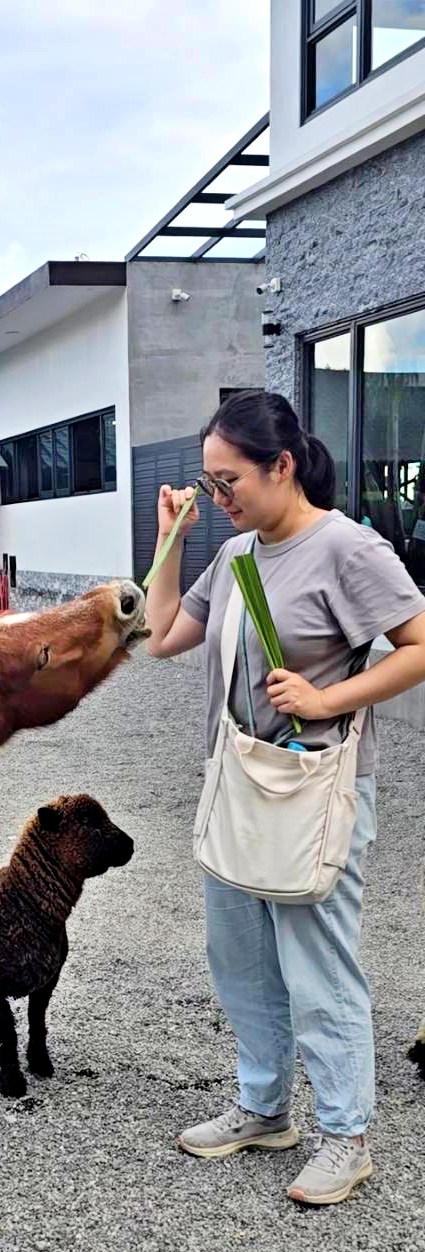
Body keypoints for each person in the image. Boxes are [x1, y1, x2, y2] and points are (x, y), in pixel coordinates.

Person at [144, 390, 425, 1206]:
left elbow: (417, 646)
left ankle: (346, 1135)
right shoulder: (234, 557)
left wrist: (329, 698)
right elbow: (162, 638)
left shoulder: (346, 548)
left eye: (229, 481)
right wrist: (172, 541)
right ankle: (264, 1108)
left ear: (284, 465)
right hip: (237, 783)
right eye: (207, 482)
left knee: (319, 963)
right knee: (240, 959)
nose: (218, 497)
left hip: (315, 787)